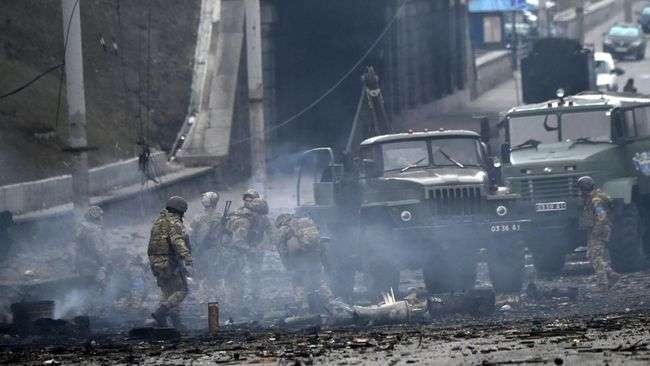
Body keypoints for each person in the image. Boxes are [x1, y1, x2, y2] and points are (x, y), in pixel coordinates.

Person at [147, 196, 193, 329]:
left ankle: (172, 322)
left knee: (167, 291)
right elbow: (177, 241)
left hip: (155, 262)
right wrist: (187, 257)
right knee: (182, 290)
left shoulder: (158, 221)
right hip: (168, 261)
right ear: (181, 210)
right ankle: (160, 313)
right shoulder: (175, 223)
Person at [223, 189, 271, 317]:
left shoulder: (260, 216)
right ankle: (234, 308)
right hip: (235, 250)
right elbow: (237, 242)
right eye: (247, 200)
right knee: (236, 277)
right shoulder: (243, 220)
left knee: (256, 275)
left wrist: (265, 245)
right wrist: (252, 251)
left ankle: (254, 302)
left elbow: (270, 231)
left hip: (251, 246)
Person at [274, 213, 333, 314]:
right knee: (318, 280)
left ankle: (301, 306)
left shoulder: (284, 229)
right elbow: (320, 244)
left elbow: (282, 250)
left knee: (298, 281)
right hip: (314, 257)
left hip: (298, 259)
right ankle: (331, 302)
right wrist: (325, 262)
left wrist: (288, 265)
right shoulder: (306, 224)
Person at [577, 176, 620, 290]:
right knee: (591, 255)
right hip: (598, 229)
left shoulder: (596, 200)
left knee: (596, 256)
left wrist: (596, 231)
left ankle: (603, 284)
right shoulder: (592, 197)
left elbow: (602, 217)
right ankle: (611, 274)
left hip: (599, 230)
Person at [74, 206, 106, 284]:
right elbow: (98, 249)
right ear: (97, 218)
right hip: (94, 263)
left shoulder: (81, 228)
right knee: (101, 284)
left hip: (81, 262)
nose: (102, 218)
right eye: (101, 216)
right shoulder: (95, 230)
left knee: (86, 286)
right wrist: (103, 263)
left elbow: (76, 245)